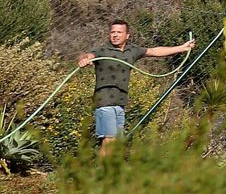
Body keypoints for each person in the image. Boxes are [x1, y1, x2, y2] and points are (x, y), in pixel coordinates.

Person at [76, 20, 194, 155]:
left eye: (119, 32)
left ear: (127, 35)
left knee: (115, 142)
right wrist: (84, 59)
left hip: (120, 103)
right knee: (109, 140)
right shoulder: (103, 50)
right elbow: (88, 55)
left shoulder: (132, 50)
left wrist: (182, 48)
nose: (115, 35)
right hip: (104, 101)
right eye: (112, 32)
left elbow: (155, 51)